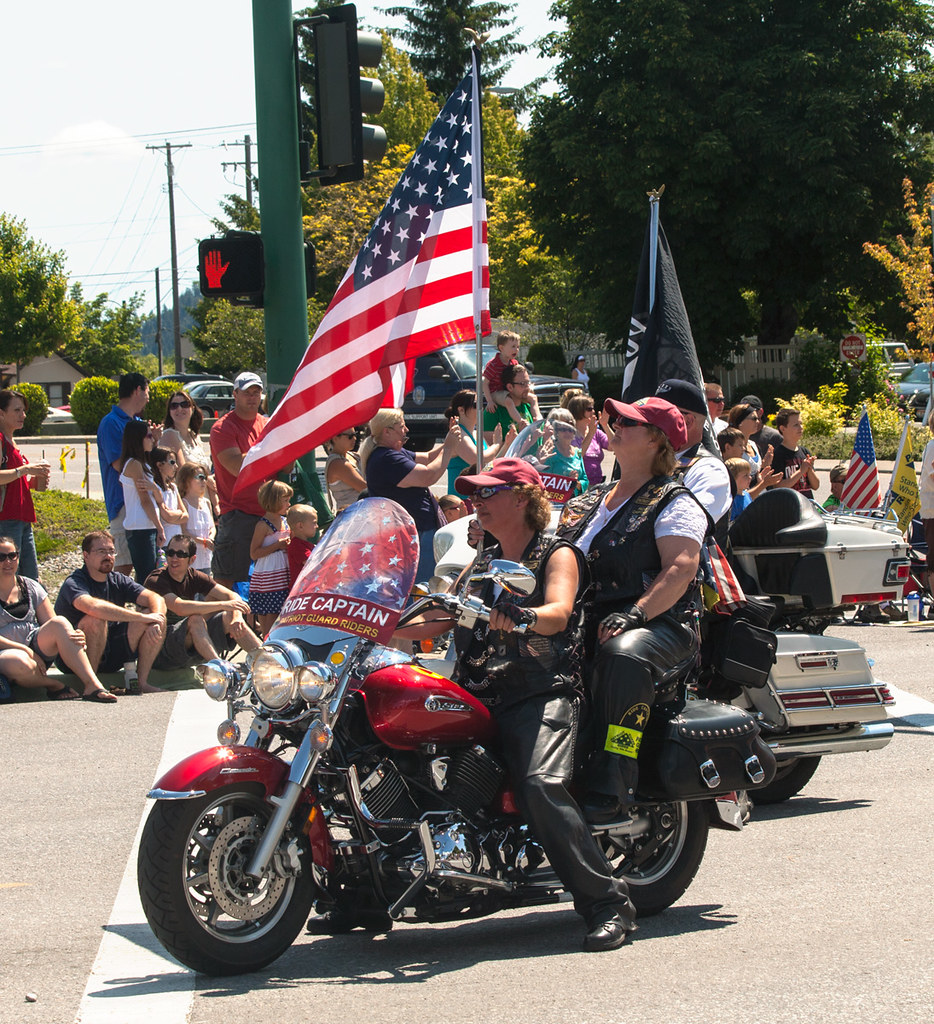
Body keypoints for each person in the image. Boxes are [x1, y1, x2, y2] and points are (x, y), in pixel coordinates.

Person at [398, 457, 638, 952]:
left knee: (539, 785)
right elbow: (447, 614)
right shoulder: (483, 559)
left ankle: (607, 903)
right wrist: (378, 624)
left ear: (525, 499)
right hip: (477, 689)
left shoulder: (558, 553)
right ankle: (362, 893)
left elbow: (557, 613)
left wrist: (522, 614)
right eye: (476, 494)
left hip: (539, 692)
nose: (478, 502)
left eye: (489, 493)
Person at [556, 397, 707, 828]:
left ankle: (614, 774)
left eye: (629, 422)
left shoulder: (674, 500)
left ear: (657, 441)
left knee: (622, 655)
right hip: (585, 619)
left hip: (662, 624)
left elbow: (681, 568)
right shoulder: (591, 500)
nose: (614, 424)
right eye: (615, 418)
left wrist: (637, 613)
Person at [0, 535, 116, 702]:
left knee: (60, 623)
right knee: (18, 661)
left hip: (36, 649)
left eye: (12, 555)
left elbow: (52, 623)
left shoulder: (30, 586)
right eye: (1, 557)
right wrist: (25, 650)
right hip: (8, 654)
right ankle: (53, 684)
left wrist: (71, 634)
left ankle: (93, 685)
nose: (8, 562)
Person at [54, 531, 167, 694]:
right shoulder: (75, 582)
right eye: (101, 551)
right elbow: (92, 607)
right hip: (74, 656)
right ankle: (91, 685)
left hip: (110, 652)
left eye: (111, 551)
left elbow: (155, 598)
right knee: (95, 620)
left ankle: (141, 682)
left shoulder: (118, 580)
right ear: (86, 555)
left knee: (154, 614)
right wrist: (140, 616)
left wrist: (156, 619)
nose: (108, 556)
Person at [359, 408, 461, 585]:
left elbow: (429, 458)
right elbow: (428, 475)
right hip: (413, 535)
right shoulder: (386, 458)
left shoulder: (394, 453)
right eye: (402, 426)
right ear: (387, 431)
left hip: (415, 532)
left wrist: (448, 441)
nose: (406, 430)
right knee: (422, 588)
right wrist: (449, 447)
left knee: (424, 585)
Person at [144, 534, 261, 671]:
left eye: (181, 554)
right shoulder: (156, 580)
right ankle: (222, 670)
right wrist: (224, 605)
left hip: (188, 645)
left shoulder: (193, 576)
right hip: (159, 649)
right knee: (196, 620)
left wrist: (236, 616)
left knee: (230, 618)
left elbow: (232, 596)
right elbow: (179, 607)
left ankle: (267, 660)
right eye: (170, 553)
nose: (174, 558)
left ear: (192, 559)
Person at [210, 371, 268, 590]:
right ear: (235, 394)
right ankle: (219, 624)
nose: (252, 397)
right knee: (228, 581)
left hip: (267, 514)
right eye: (247, 393)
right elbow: (236, 467)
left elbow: (285, 464)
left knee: (264, 582)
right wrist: (268, 448)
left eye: (257, 392)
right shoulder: (222, 428)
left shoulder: (267, 424)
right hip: (237, 516)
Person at [654, 379, 731, 543]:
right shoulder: (650, 462)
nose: (648, 423)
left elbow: (680, 532)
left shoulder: (709, 469)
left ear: (686, 422)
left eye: (658, 415)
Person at [97, 372, 153, 575]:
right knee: (123, 563)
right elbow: (118, 464)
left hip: (144, 501)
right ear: (138, 390)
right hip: (123, 503)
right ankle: (111, 604)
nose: (148, 398)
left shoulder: (138, 420)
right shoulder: (111, 422)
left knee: (147, 563)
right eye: (147, 392)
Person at [0, 389, 51, 581]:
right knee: (10, 577)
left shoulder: (12, 442)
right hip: (6, 519)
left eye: (24, 410)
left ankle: (31, 610)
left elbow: (17, 483)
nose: (23, 415)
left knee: (29, 579)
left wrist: (37, 479)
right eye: (17, 410)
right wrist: (25, 469)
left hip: (22, 518)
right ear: (1, 413)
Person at [159, 390, 220, 518]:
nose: (179, 408)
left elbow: (207, 473)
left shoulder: (194, 436)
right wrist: (207, 478)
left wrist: (216, 506)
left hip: (203, 501)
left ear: (192, 408)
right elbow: (183, 469)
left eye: (184, 404)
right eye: (174, 406)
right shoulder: (170, 435)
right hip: (185, 502)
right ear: (169, 411)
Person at [444, 389, 515, 493]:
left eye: (483, 404)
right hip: (461, 500)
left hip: (478, 497)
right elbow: (477, 461)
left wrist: (507, 444)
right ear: (461, 410)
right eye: (476, 405)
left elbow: (490, 465)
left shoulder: (477, 433)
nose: (481, 409)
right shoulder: (457, 434)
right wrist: (496, 444)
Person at [118, 420, 163, 582]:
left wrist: (155, 488)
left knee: (149, 575)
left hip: (146, 526)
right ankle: (146, 607)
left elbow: (155, 496)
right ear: (138, 439)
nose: (152, 440)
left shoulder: (142, 463)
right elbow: (144, 500)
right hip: (140, 528)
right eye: (149, 436)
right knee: (148, 577)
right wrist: (160, 527)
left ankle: (145, 607)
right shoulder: (134, 464)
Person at [249, 479, 294, 636]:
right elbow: (254, 553)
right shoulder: (263, 525)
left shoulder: (285, 521)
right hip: (268, 577)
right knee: (269, 619)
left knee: (281, 617)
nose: (289, 504)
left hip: (283, 574)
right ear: (274, 500)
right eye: (286, 500)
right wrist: (277, 545)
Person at [483, 363, 541, 445]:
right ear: (510, 387)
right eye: (522, 384)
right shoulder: (493, 411)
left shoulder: (528, 406)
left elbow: (539, 439)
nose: (527, 387)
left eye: (528, 382)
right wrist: (520, 438)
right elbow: (489, 448)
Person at [770, 407, 819, 498]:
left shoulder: (804, 452)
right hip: (788, 506)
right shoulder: (778, 454)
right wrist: (801, 471)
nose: (800, 428)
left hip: (807, 505)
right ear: (783, 429)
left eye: (801, 423)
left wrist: (809, 469)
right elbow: (778, 487)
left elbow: (816, 486)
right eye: (796, 425)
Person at [177, 462, 215, 572]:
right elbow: (184, 532)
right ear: (187, 480)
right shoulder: (184, 503)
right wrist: (202, 541)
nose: (204, 481)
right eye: (200, 477)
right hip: (191, 559)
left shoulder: (207, 503)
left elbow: (212, 527)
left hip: (207, 556)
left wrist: (210, 538)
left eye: (205, 478)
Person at [542, 410, 588, 496]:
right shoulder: (550, 453)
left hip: (575, 502)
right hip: (556, 504)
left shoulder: (577, 452)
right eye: (563, 428)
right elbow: (545, 483)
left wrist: (577, 484)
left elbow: (585, 480)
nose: (568, 431)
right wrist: (567, 483)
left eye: (570, 426)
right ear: (555, 430)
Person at [481, 330, 522, 429]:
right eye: (513, 347)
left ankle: (537, 420)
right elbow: (484, 383)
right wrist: (490, 401)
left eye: (518, 347)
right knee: (508, 401)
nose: (516, 349)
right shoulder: (493, 365)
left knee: (530, 396)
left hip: (508, 390)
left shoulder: (514, 363)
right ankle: (521, 422)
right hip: (496, 392)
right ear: (501, 348)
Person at [150, 446, 187, 552]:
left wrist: (174, 515)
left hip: (178, 542)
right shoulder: (155, 488)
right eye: (172, 462)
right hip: (164, 543)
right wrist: (178, 514)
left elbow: (186, 516)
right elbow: (165, 516)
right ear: (159, 465)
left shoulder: (173, 487)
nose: (176, 466)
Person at [567, 394, 609, 487]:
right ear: (578, 411)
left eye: (593, 408)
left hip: (597, 485)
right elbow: (577, 456)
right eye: (589, 409)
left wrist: (605, 425)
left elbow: (613, 446)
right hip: (579, 485)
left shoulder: (596, 432)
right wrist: (590, 433)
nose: (593, 412)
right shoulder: (569, 434)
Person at [325, 429, 366, 513]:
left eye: (355, 434)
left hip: (361, 511)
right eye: (350, 436)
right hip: (352, 515)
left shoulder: (352, 456)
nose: (354, 438)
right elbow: (364, 488)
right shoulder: (338, 463)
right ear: (335, 438)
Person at [740, 394, 783, 460]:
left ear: (760, 412)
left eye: (750, 410)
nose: (744, 414)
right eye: (742, 411)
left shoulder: (775, 437)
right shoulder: (736, 437)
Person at [286, 503, 317, 589]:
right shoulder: (297, 545)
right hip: (301, 590)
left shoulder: (304, 544)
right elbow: (311, 563)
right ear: (300, 526)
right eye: (314, 523)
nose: (317, 526)